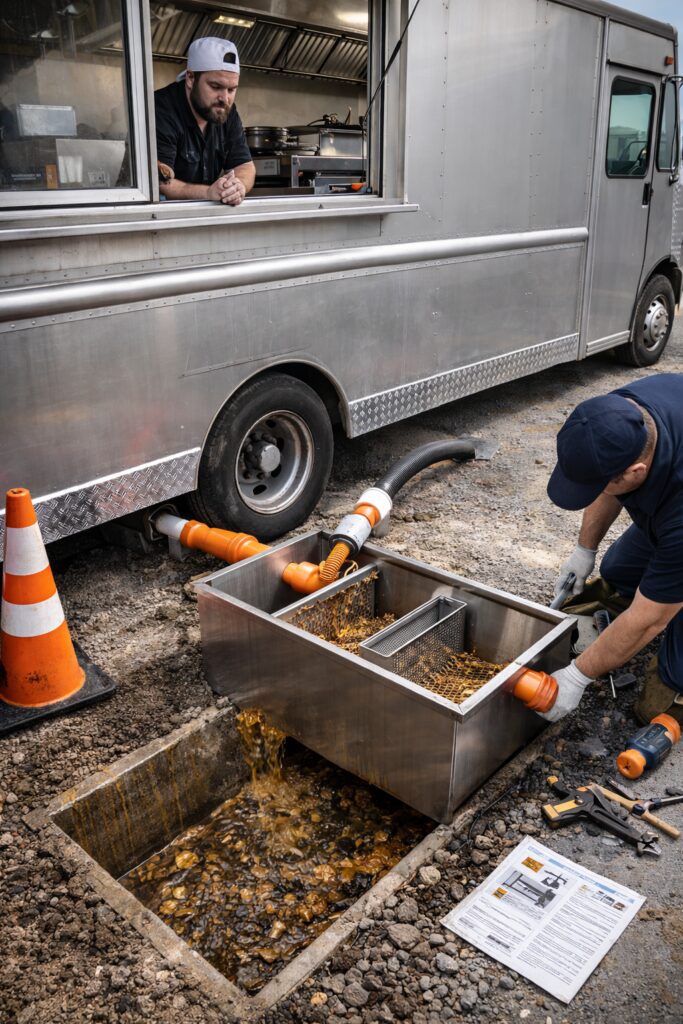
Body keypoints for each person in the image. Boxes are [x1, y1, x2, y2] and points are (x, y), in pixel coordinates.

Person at [543, 373, 683, 725]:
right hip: (670, 515)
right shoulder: (619, 415)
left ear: (637, 471)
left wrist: (577, 677)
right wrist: (584, 550)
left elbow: (649, 619)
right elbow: (605, 485)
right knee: (617, 572)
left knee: (657, 705)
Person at [154, 37, 255, 204]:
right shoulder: (162, 109)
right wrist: (207, 192)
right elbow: (160, 182)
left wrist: (239, 186)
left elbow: (245, 166)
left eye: (231, 89)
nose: (225, 98)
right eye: (216, 87)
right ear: (190, 78)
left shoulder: (226, 110)